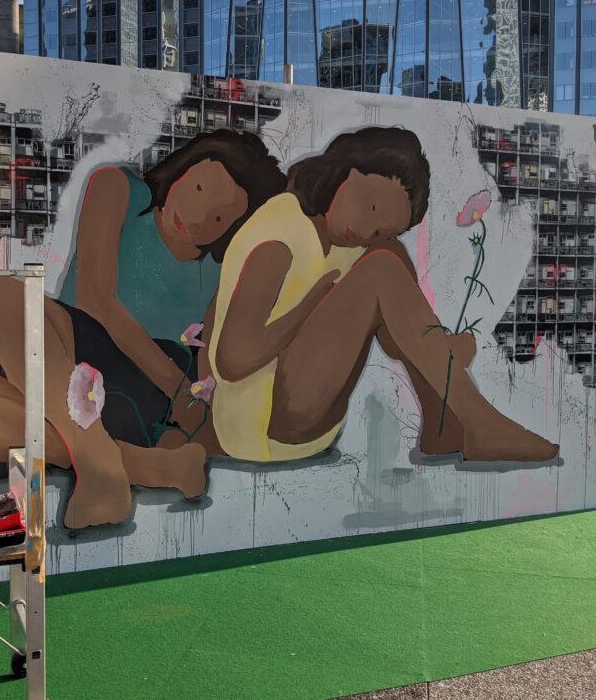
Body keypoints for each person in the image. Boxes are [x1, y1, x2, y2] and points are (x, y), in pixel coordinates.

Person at [0, 129, 287, 529]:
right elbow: (96, 301)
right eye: (198, 188)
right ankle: (122, 462)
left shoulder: (222, 268)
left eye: (218, 218)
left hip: (138, 388)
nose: (197, 217)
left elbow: (212, 354)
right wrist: (180, 393)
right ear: (183, 168)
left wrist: (184, 401)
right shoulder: (120, 189)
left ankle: (101, 458)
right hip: (54, 354)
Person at [207, 126, 558, 465]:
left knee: (388, 255)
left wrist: (433, 347)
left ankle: (444, 426)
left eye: (377, 230)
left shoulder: (350, 238)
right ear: (346, 170)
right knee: (381, 269)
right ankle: (480, 422)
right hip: (260, 424)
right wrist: (310, 303)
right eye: (371, 207)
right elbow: (231, 361)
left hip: (311, 419)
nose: (364, 231)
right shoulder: (278, 237)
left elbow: (397, 332)